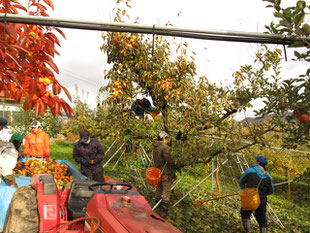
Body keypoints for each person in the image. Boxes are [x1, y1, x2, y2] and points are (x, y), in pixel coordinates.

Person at [239, 155, 274, 233]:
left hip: (250, 197)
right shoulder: (268, 176)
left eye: (255, 159)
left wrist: (245, 190)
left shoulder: (249, 171)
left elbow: (241, 182)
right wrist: (263, 194)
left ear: (258, 162)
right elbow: (271, 191)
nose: (254, 160)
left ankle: (248, 231)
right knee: (261, 216)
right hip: (262, 199)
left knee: (245, 213)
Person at [153, 131, 178, 217]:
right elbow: (168, 159)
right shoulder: (164, 148)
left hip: (157, 171)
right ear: (164, 138)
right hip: (165, 171)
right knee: (166, 190)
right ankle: (164, 211)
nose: (167, 140)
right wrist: (175, 164)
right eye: (166, 138)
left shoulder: (155, 147)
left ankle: (158, 207)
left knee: (159, 188)